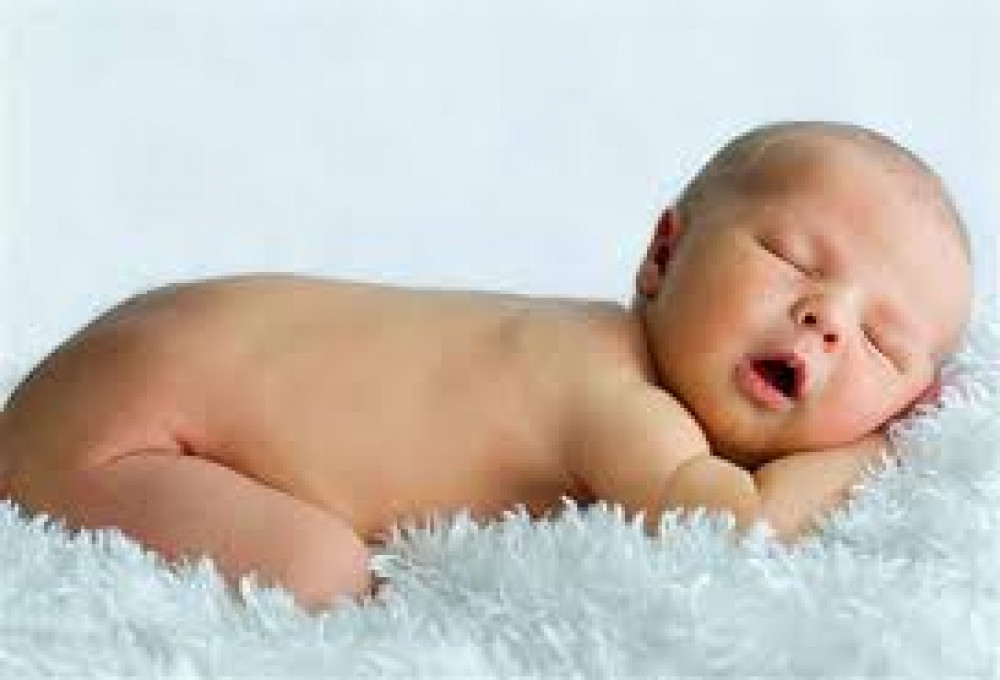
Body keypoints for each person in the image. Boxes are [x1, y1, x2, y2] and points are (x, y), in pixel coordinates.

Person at [0, 121, 973, 611]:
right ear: (663, 254)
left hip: (147, 353)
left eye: (881, 342)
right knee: (325, 578)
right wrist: (877, 450)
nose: (826, 318)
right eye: (791, 258)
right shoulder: (615, 394)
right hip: (126, 431)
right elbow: (734, 529)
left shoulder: (567, 340)